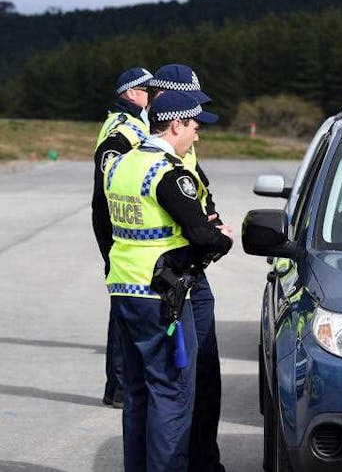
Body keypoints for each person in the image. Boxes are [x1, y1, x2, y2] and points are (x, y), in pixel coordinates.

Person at [104, 91, 233, 472]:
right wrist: (223, 235)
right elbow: (203, 235)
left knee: (138, 394)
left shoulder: (120, 165)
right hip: (161, 294)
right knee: (173, 394)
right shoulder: (168, 173)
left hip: (124, 288)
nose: (197, 136)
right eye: (195, 127)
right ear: (176, 124)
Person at [150, 63, 226, 472]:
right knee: (177, 388)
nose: (199, 120)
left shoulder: (180, 144)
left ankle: (204, 460)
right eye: (194, 109)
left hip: (190, 273)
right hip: (168, 280)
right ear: (166, 99)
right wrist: (213, 236)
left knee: (203, 380)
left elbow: (200, 198)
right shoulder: (142, 150)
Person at [92, 67, 154, 408]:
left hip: (117, 225)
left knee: (126, 305)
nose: (150, 94)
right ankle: (117, 387)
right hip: (117, 227)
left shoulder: (131, 121)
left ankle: (120, 385)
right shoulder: (125, 127)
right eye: (146, 89)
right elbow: (110, 178)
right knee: (124, 306)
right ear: (130, 93)